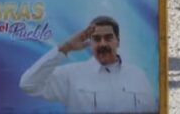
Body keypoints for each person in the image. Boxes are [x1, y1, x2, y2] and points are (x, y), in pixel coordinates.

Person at [20, 16, 158, 113]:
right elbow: (28, 84)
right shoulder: (71, 75)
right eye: (97, 39)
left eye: (108, 38)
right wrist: (66, 47)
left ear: (118, 41)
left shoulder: (137, 74)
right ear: (90, 43)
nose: (103, 44)